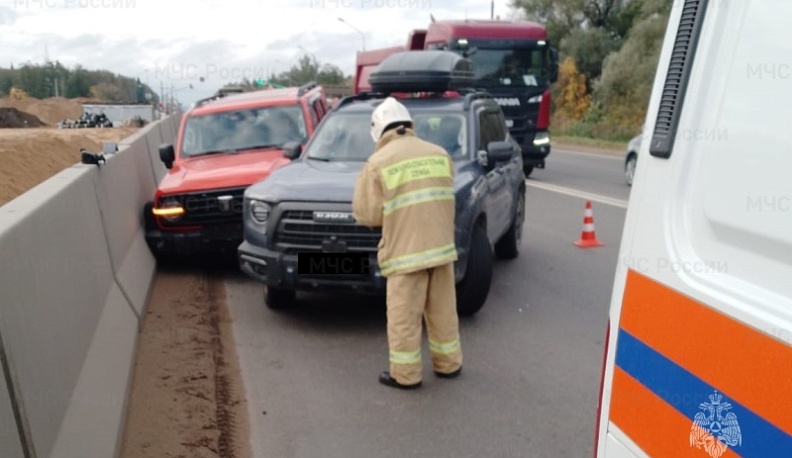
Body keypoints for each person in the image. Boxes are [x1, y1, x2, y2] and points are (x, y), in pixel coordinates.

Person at [352, 96, 463, 390]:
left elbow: (368, 214)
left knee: (404, 317)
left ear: (378, 130)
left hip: (406, 254)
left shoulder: (378, 163)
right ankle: (449, 364)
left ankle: (406, 375)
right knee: (443, 312)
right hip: (441, 249)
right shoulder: (439, 154)